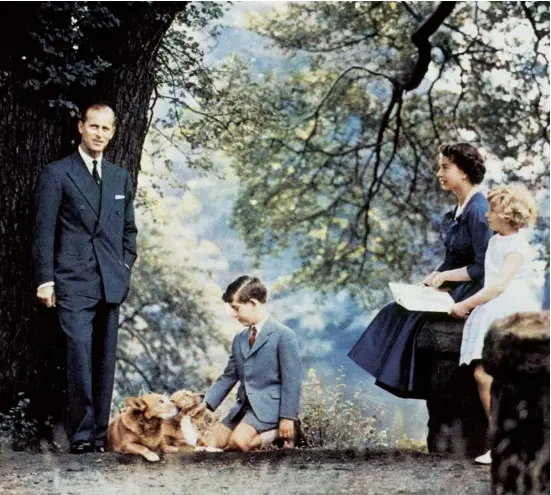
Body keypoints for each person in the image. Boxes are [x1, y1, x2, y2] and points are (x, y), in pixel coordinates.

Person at [348, 142, 493, 398]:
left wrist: (446, 278)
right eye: (439, 167)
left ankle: (411, 384)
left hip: (472, 289)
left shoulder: (478, 209)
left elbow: (483, 267)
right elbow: (452, 259)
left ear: (464, 172)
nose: (439, 173)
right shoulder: (459, 209)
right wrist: (428, 282)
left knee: (415, 317)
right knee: (395, 308)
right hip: (456, 282)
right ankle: (396, 378)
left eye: (445, 167)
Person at [32, 103, 138, 454]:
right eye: (94, 126)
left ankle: (98, 436)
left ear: (113, 132)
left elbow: (128, 231)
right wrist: (45, 280)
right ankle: (80, 435)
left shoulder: (120, 177)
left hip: (110, 281)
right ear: (81, 127)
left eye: (106, 129)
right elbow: (43, 231)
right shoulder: (57, 173)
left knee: (104, 361)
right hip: (72, 281)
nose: (99, 134)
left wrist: (123, 269)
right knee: (78, 356)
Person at [451, 184, 539, 465]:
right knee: (485, 375)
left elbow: (499, 286)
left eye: (493, 210)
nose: (487, 215)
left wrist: (466, 304)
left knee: (500, 377)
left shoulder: (517, 246)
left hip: (511, 312)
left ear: (509, 216)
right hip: (494, 309)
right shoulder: (495, 241)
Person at [190, 276, 302, 452]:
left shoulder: (284, 335)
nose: (233, 314)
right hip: (243, 407)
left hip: (271, 408)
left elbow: (292, 381)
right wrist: (206, 403)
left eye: (236, 308)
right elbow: (229, 376)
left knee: (238, 443)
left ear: (252, 303)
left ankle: (282, 433)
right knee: (208, 445)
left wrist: (287, 418)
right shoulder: (240, 339)